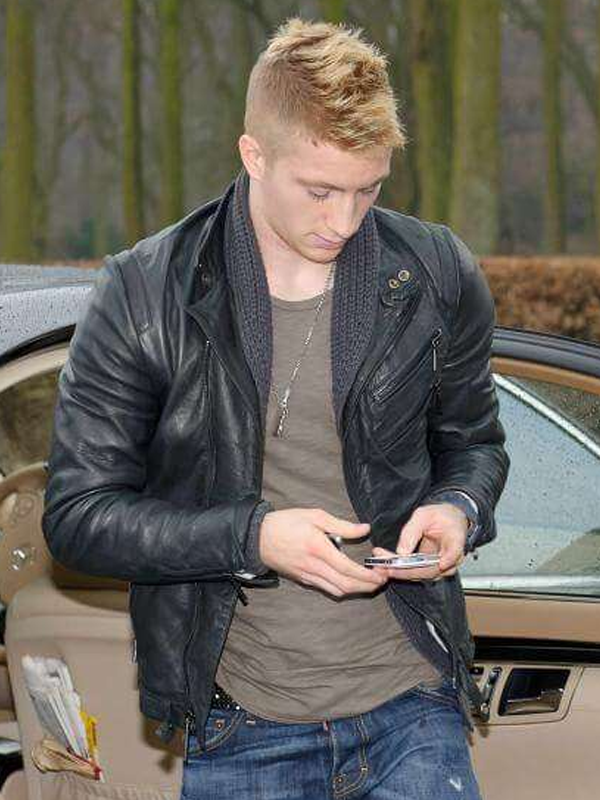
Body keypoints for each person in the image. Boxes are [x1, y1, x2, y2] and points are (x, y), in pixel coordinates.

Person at [42, 17, 510, 800]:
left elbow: (476, 444)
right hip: (241, 727)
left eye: (368, 190)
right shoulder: (145, 293)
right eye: (319, 191)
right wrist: (253, 537)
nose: (344, 221)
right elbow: (78, 516)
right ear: (253, 155)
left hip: (411, 704)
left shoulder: (435, 272)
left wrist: (459, 507)